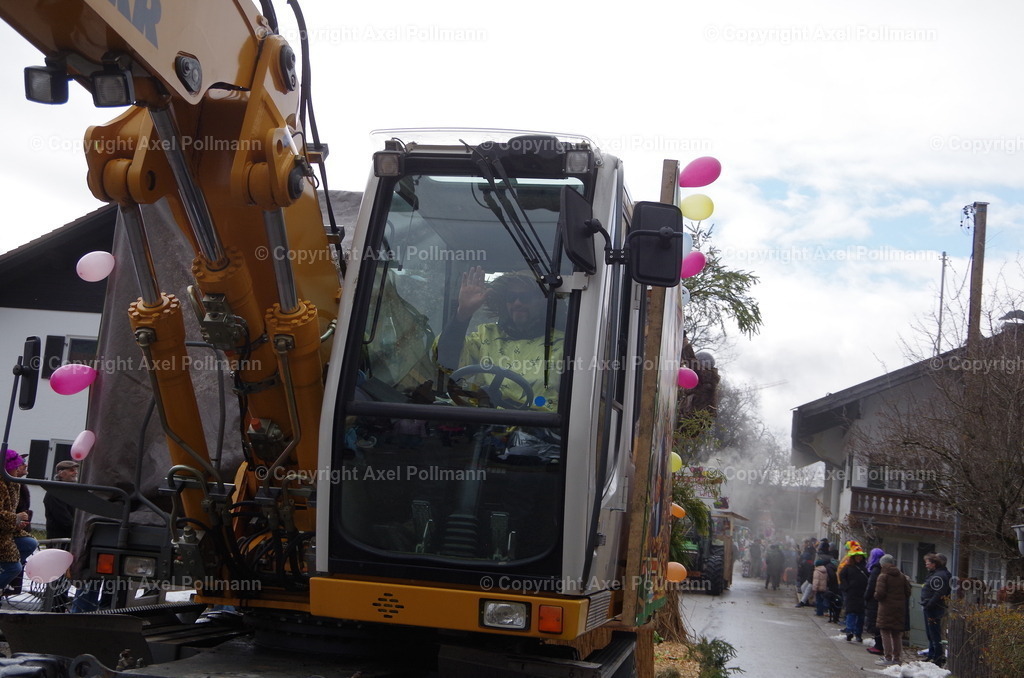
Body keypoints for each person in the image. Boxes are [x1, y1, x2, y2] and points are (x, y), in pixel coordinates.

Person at [436, 267, 563, 411]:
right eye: (511, 297)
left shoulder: (564, 344)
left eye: (525, 297)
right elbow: (446, 361)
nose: (517, 303)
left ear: (542, 301)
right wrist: (463, 314)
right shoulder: (486, 334)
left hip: (536, 426)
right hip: (484, 420)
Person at [0, 450, 36, 598]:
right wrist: (15, 518)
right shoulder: (2, 485)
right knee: (14, 568)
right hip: (2, 533)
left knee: (30, 543)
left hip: (7, 529)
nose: (21, 468)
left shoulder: (14, 484)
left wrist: (18, 522)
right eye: (17, 466)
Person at [874, 553, 912, 666]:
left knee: (885, 632)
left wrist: (876, 595)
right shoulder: (901, 576)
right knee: (896, 633)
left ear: (883, 564)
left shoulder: (883, 576)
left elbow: (880, 594)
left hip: (886, 608)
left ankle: (888, 657)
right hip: (899, 608)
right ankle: (897, 658)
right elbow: (908, 592)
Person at [921, 552, 952, 667]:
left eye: (928, 563)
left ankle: (937, 658)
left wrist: (929, 603)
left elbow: (939, 592)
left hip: (934, 608)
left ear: (935, 564)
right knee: (931, 633)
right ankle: (932, 654)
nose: (926, 565)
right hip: (931, 607)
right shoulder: (935, 574)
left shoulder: (941, 575)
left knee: (935, 634)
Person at [837, 540, 869, 642]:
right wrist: (847, 587)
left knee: (860, 615)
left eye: (860, 556)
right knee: (851, 613)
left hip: (861, 594)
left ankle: (858, 633)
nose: (859, 558)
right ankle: (850, 631)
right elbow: (842, 577)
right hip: (851, 594)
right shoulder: (848, 567)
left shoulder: (865, 568)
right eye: (857, 556)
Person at [44, 460, 79, 540]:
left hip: (70, 538)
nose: (75, 473)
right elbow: (64, 519)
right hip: (60, 539)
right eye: (71, 470)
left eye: (76, 470)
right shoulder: (55, 493)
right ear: (61, 473)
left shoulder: (70, 491)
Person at [863, 547, 886, 656]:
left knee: (876, 623)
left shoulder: (875, 569)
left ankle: (878, 646)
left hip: (874, 600)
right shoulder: (883, 568)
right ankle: (879, 645)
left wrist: (866, 597)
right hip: (880, 601)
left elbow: (871, 586)